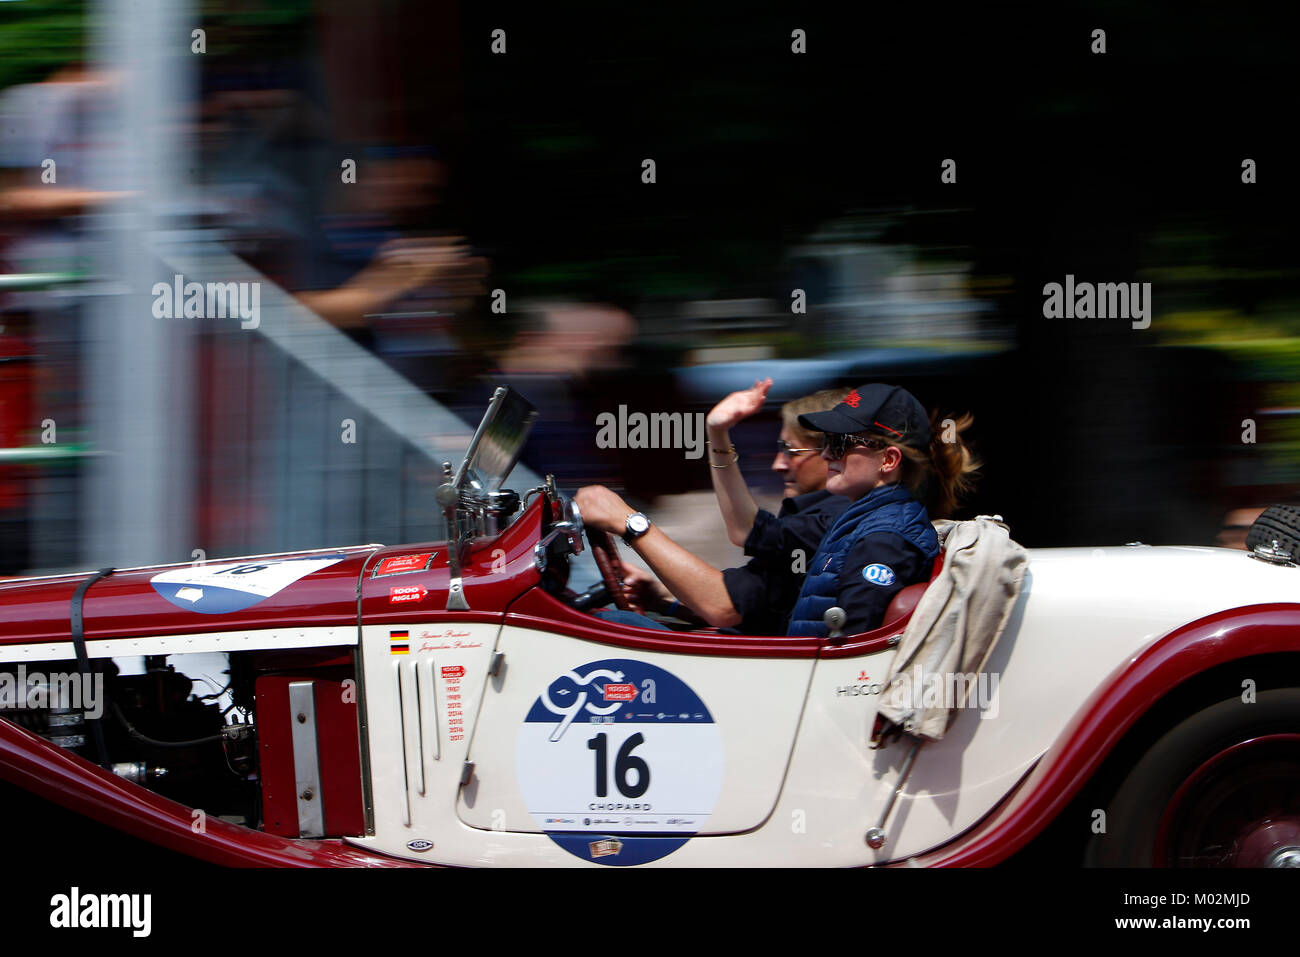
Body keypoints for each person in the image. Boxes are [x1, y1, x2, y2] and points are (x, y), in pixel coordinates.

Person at [616, 380, 851, 633]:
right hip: (772, 656)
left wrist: (625, 520)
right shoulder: (811, 517)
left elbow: (726, 602)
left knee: (616, 625)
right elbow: (749, 607)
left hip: (784, 666)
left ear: (834, 453)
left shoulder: (833, 519)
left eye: (791, 451)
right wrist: (663, 600)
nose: (778, 465)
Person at [784, 383, 979, 637]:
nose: (826, 454)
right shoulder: (861, 522)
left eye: (840, 442)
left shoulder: (884, 540)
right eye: (827, 441)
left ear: (888, 460)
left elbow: (851, 650)